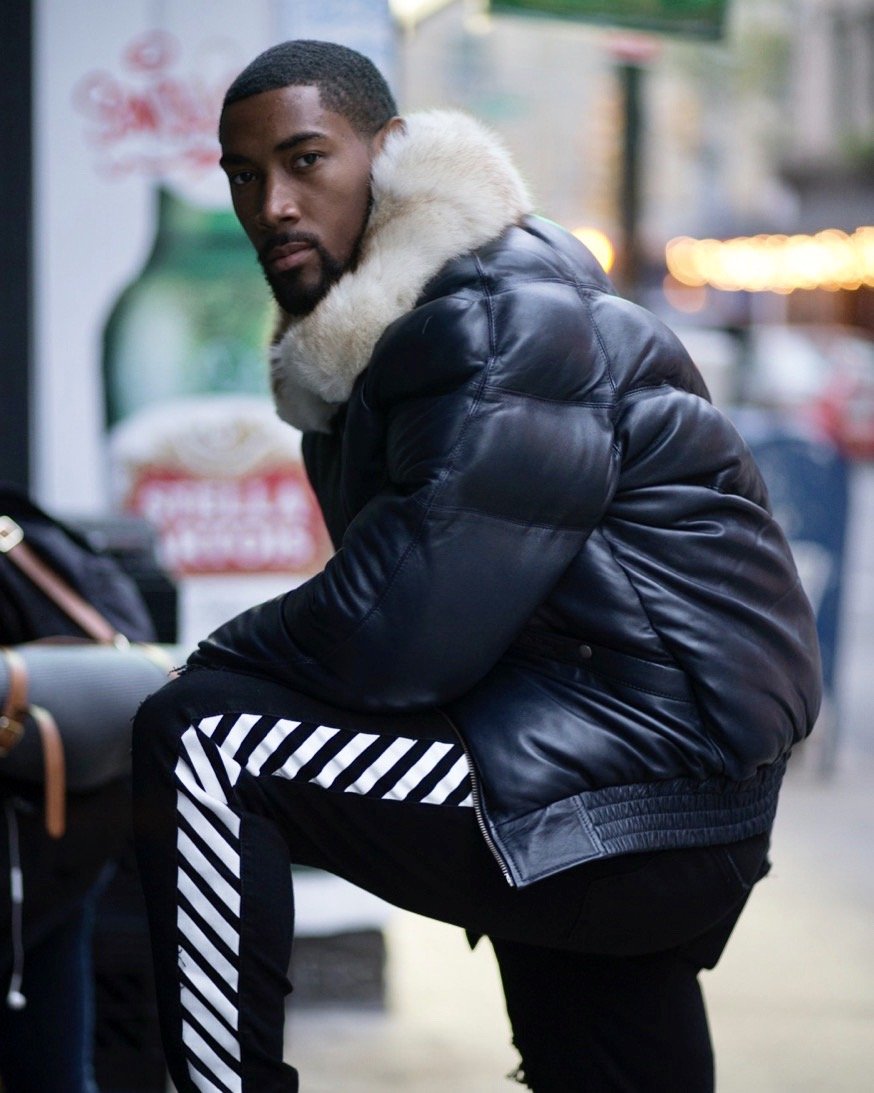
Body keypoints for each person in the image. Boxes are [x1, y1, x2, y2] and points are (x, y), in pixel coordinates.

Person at [131, 39, 822, 1093]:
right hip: (609, 747)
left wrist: (214, 654)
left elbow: (400, 632)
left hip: (639, 779)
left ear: (389, 154)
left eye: (305, 160)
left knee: (205, 737)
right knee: (607, 1057)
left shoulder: (497, 320)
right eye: (242, 174)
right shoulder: (405, 327)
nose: (271, 202)